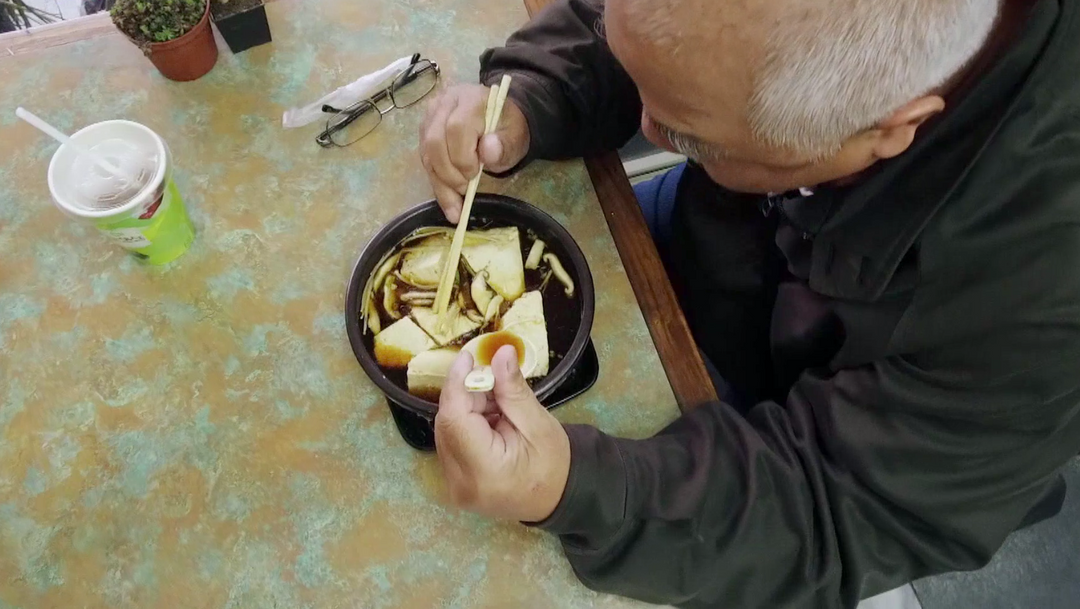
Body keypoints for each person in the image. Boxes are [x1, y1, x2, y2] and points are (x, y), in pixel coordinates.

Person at [419, 0, 1080, 607]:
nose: (642, 125)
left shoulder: (1041, 290)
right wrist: (532, 95)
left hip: (841, 459)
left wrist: (574, 489)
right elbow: (651, 27)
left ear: (886, 129)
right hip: (713, 254)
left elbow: (847, 509)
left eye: (685, 132)